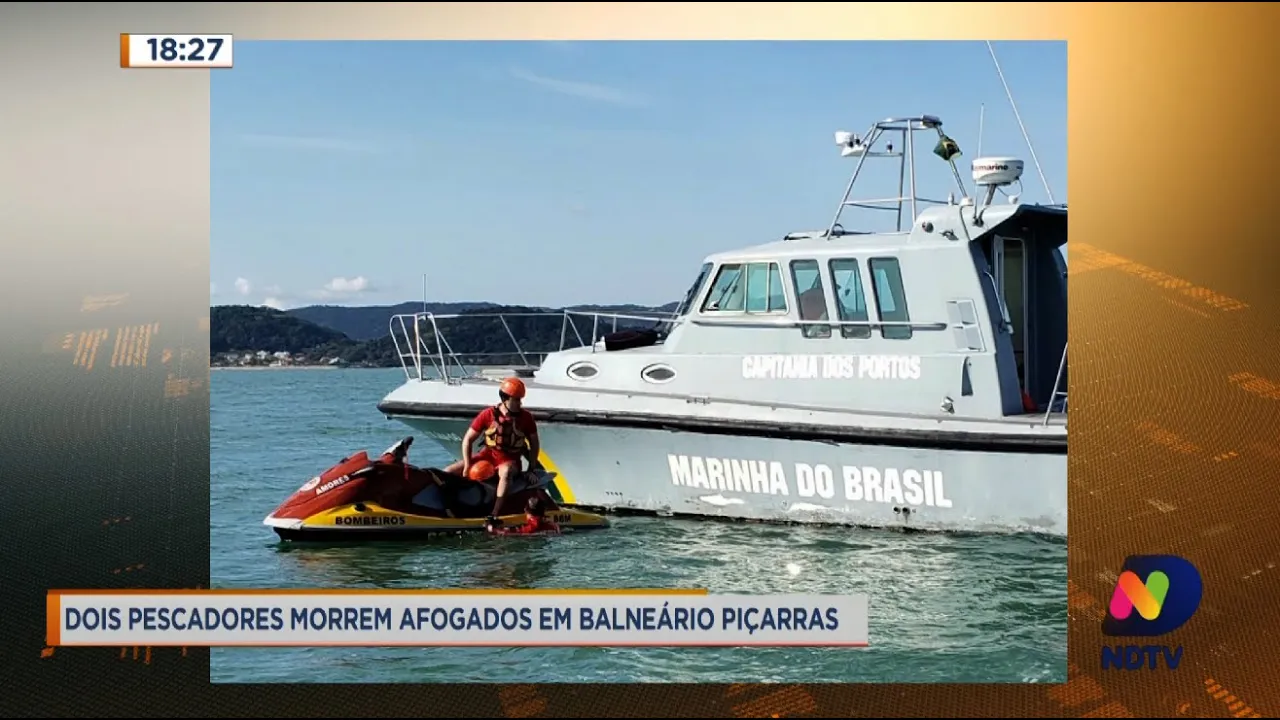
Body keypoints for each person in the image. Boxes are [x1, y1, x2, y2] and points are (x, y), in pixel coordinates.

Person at [444, 376, 541, 519]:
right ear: (505, 399)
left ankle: (494, 513)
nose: (520, 403)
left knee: (506, 473)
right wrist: (467, 465)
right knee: (448, 472)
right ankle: (447, 507)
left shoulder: (526, 417)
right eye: (516, 399)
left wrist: (531, 469)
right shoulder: (488, 414)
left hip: (510, 460)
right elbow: (467, 440)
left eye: (520, 399)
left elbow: (534, 444)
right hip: (487, 455)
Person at [484, 496, 562, 536]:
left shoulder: (529, 528)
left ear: (526, 510)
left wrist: (490, 527)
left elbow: (505, 533)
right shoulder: (554, 526)